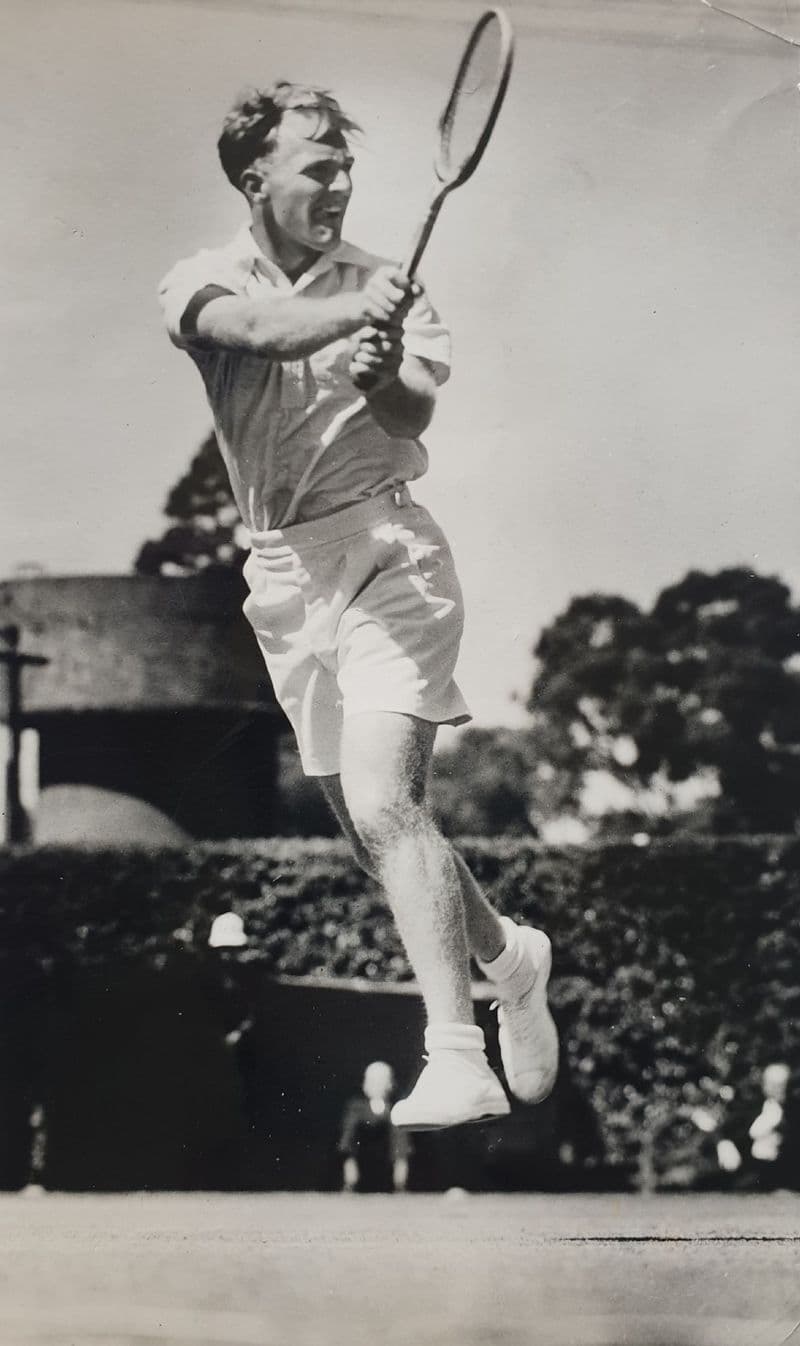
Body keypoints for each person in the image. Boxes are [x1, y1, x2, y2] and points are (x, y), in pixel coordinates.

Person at [158, 81, 558, 1130]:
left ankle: (455, 1051)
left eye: (346, 167)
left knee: (389, 804)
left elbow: (415, 405)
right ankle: (511, 959)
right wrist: (345, 317)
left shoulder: (394, 281)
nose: (339, 184)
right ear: (255, 178)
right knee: (367, 826)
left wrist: (379, 371)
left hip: (389, 549)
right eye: (316, 167)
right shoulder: (199, 279)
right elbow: (251, 326)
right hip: (281, 577)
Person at [339, 1061, 410, 1193]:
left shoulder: (394, 1109)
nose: (376, 1086)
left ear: (390, 1084)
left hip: (387, 1165)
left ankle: (400, 1185)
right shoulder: (356, 1108)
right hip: (362, 1163)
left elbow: (401, 1144)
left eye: (381, 1081)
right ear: (365, 1084)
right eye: (372, 1081)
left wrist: (400, 1172)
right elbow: (348, 1139)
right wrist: (350, 1166)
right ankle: (350, 1184)